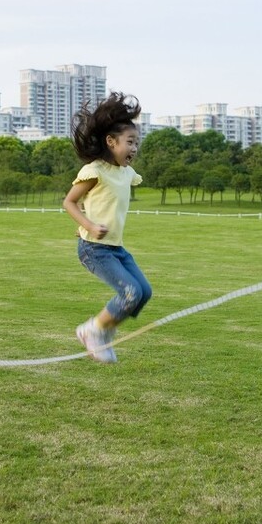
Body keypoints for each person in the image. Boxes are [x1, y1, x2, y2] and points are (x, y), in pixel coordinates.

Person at [63, 92, 152, 363]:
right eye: (129, 142)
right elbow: (69, 203)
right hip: (93, 248)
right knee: (130, 292)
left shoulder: (126, 173)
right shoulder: (95, 171)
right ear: (111, 141)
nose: (134, 148)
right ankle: (92, 330)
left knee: (143, 292)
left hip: (116, 248)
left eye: (137, 143)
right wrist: (89, 224)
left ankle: (103, 331)